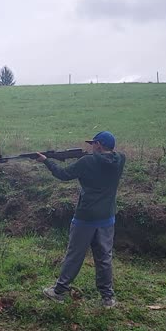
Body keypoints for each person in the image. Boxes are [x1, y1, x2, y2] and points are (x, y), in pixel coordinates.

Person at [35, 131, 125, 308]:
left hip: (86, 217)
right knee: (104, 258)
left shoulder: (87, 161)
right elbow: (102, 161)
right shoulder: (121, 159)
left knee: (74, 256)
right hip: (107, 217)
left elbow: (62, 174)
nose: (90, 146)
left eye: (93, 144)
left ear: (99, 144)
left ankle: (59, 291)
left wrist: (46, 160)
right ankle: (108, 298)